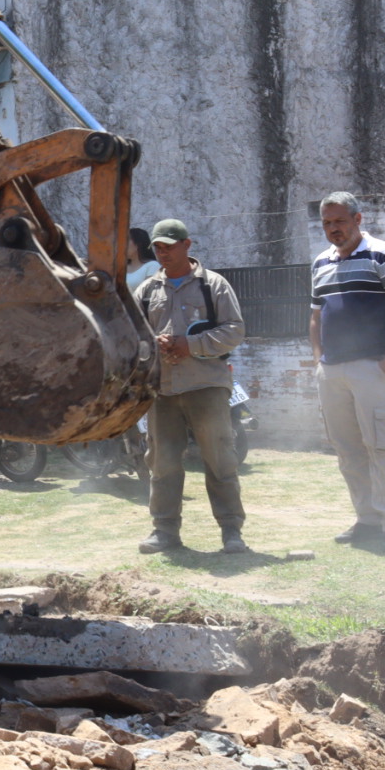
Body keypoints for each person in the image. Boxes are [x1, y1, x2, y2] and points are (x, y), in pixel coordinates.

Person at [132, 218, 247, 555]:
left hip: (207, 385)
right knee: (163, 462)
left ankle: (231, 531)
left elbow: (234, 331)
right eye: (157, 247)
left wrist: (189, 344)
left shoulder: (214, 286)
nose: (162, 252)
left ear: (187, 244)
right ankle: (164, 532)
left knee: (219, 459)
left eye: (169, 245)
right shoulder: (147, 290)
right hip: (163, 390)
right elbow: (132, 338)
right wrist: (156, 344)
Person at [311, 192, 385, 552]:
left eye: (339, 221)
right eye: (327, 223)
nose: (333, 229)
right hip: (333, 371)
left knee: (383, 446)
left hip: (373, 367)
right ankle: (368, 519)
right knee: (347, 448)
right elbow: (315, 314)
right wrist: (318, 359)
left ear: (358, 219)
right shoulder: (320, 263)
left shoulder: (384, 254)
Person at [125, 226, 158, 291]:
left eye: (126, 240)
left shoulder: (152, 266)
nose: (122, 244)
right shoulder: (121, 268)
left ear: (138, 244)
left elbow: (149, 294)